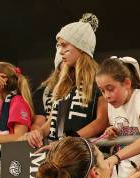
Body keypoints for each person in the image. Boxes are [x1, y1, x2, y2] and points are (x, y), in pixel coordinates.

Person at [25, 13, 108, 147]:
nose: (60, 51)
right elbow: (54, 118)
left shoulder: (99, 78)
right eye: (58, 46)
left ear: (81, 47)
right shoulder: (65, 81)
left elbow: (102, 121)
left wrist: (71, 140)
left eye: (64, 45)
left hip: (83, 154)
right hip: (59, 151)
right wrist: (39, 132)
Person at [31, 50, 62, 131]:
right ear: (58, 69)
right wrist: (38, 135)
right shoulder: (42, 92)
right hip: (53, 140)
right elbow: (38, 124)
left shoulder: (90, 88)